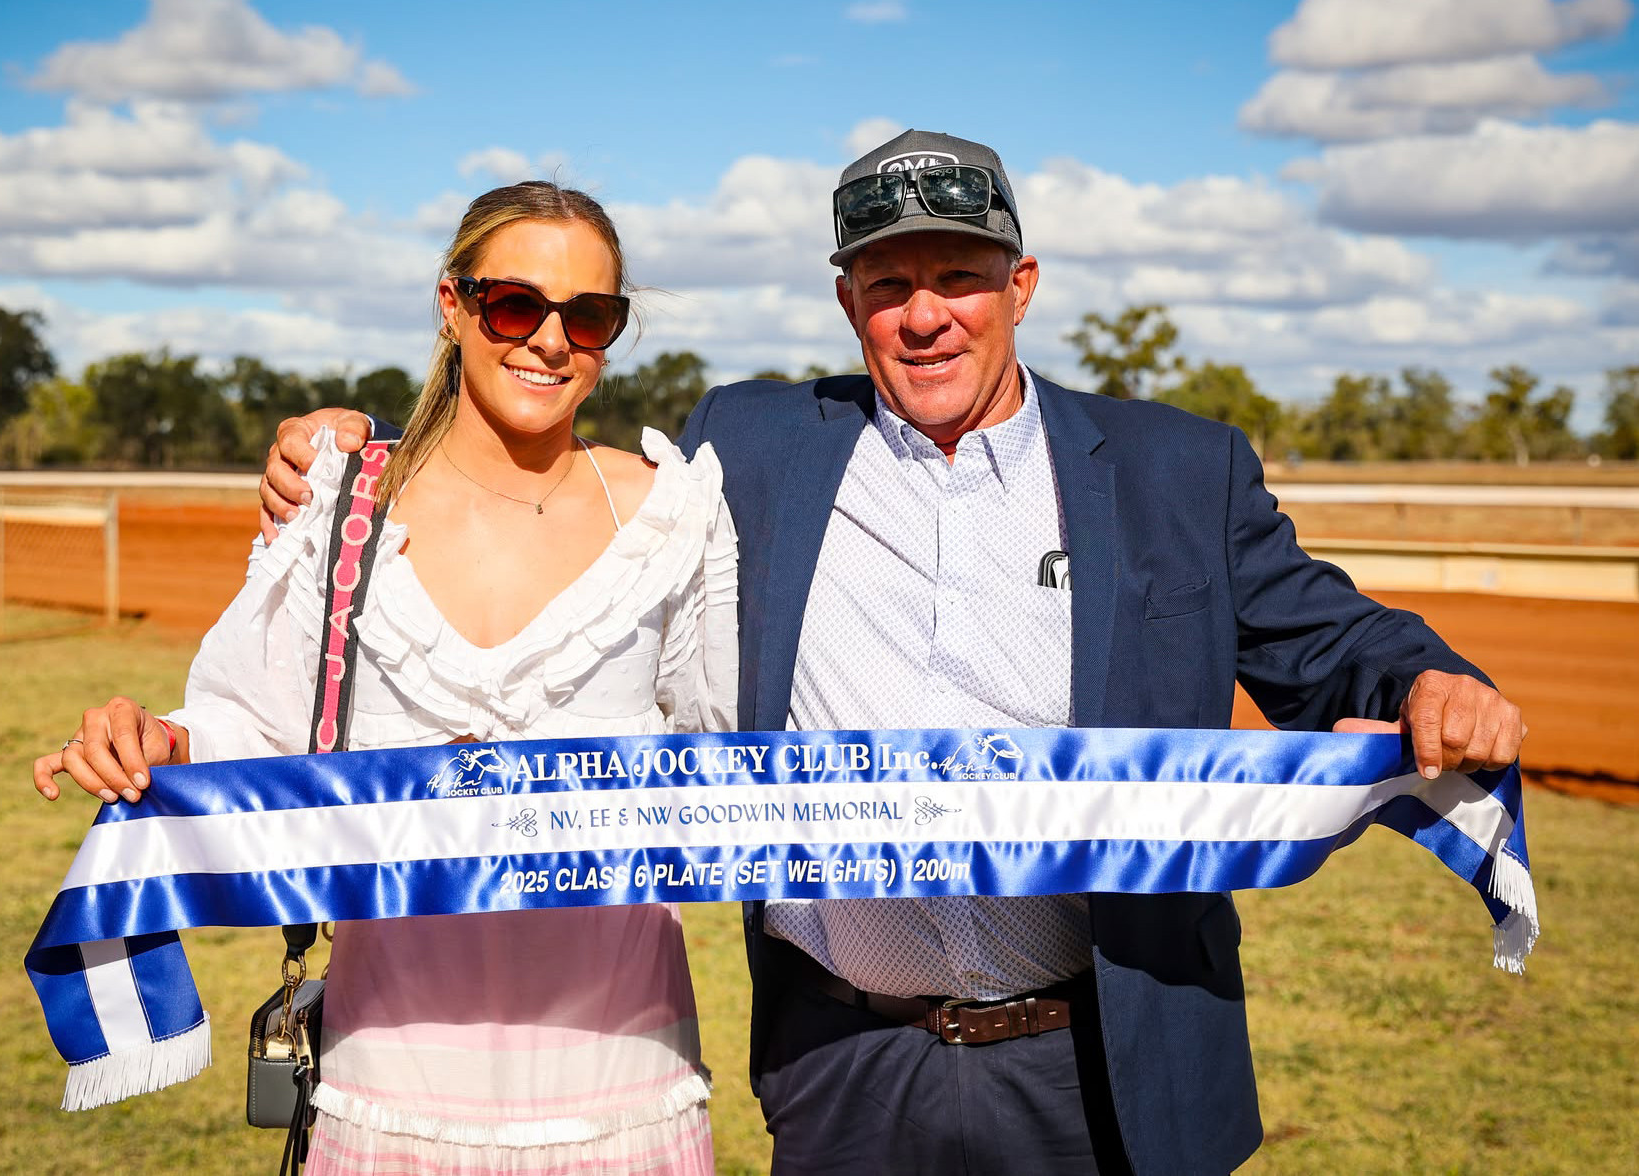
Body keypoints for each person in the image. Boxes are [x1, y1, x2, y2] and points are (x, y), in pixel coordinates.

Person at [260, 131, 1526, 1176]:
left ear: (1019, 285)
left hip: (1098, 1057)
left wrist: (1421, 679)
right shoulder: (750, 449)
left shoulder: (1174, 470)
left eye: (959, 278)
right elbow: (523, 422)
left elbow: (1323, 635)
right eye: (887, 283)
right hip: (842, 1065)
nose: (925, 316)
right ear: (845, 297)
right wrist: (356, 442)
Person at [34, 180, 738, 1175]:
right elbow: (253, 729)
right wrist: (161, 744)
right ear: (451, 306)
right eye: (514, 305)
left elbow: (728, 764)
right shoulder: (338, 508)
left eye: (589, 315)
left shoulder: (671, 515)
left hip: (618, 1079)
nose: (549, 339)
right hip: (389, 1085)